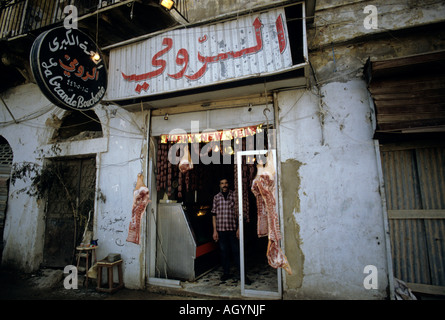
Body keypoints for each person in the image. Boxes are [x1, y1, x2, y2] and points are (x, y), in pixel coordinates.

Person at [211, 178, 251, 284]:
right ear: (219, 185)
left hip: (233, 229)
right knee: (224, 253)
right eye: (222, 183)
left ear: (229, 184)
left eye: (226, 183)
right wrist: (215, 231)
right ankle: (226, 273)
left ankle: (243, 275)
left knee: (237, 252)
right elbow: (214, 215)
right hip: (221, 230)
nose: (224, 185)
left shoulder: (235, 195)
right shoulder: (216, 197)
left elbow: (240, 213)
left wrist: (239, 228)